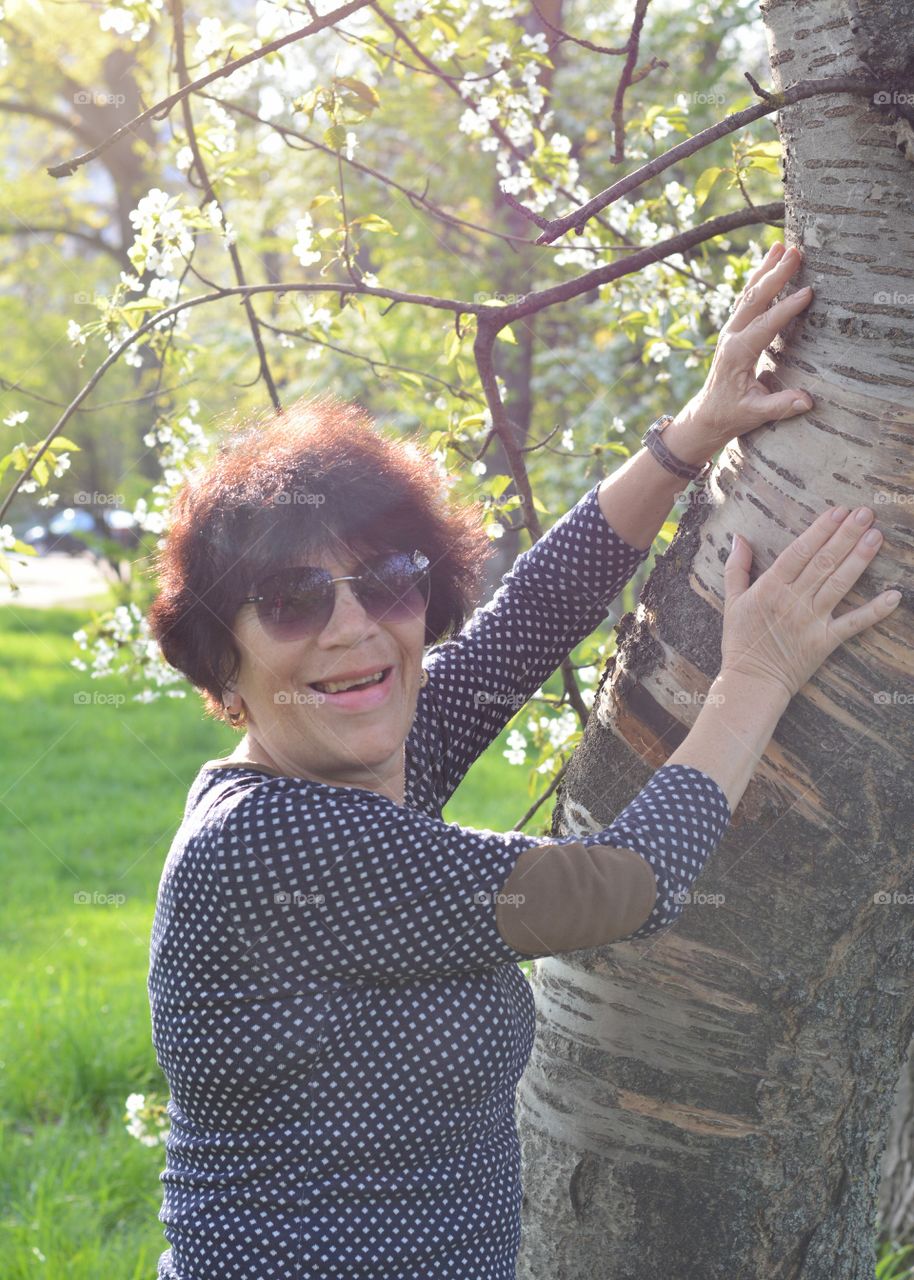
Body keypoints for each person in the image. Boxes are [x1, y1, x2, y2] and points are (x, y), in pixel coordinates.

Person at [145, 242, 901, 1279]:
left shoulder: (354, 763)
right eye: (290, 600)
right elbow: (621, 887)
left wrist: (690, 434)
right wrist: (754, 675)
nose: (354, 628)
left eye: (389, 580)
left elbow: (528, 618)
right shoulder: (271, 841)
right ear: (221, 667)